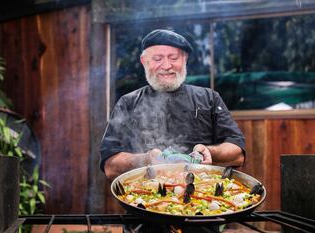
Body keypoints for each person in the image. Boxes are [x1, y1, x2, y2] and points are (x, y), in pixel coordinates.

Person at [100, 29, 245, 180]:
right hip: (144, 196)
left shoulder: (209, 98)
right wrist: (145, 159)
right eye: (157, 59)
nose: (166, 65)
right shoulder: (127, 102)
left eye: (173, 58)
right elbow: (110, 166)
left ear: (184, 59)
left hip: (203, 192)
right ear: (144, 61)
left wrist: (210, 151)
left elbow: (238, 154)